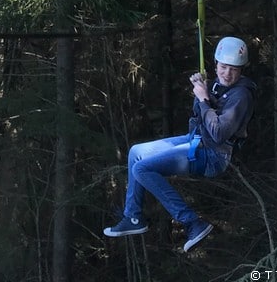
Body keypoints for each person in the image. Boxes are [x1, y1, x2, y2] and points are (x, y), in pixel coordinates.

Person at [103, 36, 257, 252]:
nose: (227, 73)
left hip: (213, 155)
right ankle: (134, 217)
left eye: (234, 69)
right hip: (196, 140)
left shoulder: (241, 95)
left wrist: (203, 99)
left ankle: (193, 223)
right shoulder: (216, 85)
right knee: (136, 152)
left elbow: (219, 132)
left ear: (242, 69)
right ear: (216, 64)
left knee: (142, 168)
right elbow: (199, 115)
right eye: (223, 67)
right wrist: (200, 89)